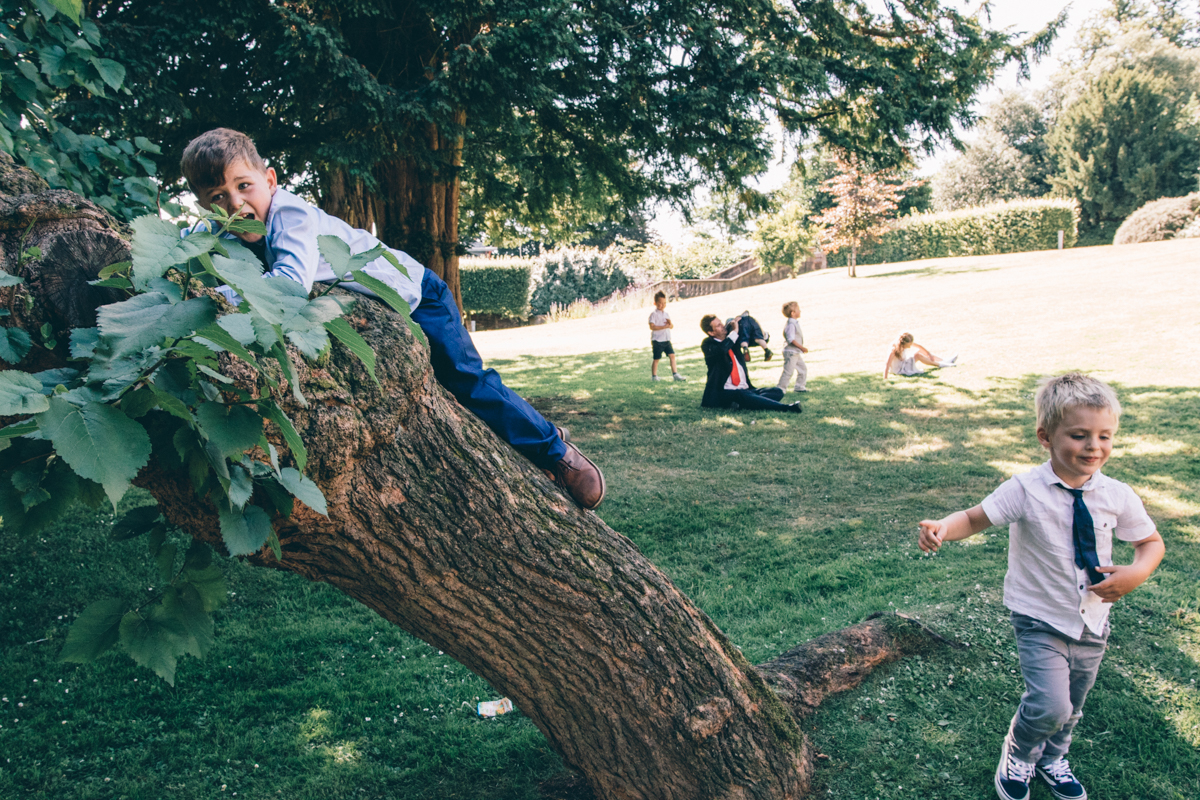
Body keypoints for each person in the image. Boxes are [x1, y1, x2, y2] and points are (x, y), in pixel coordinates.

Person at [179, 128, 605, 509]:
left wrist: (214, 296)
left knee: (466, 383)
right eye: (218, 198)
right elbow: (187, 242)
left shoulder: (291, 217)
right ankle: (533, 445)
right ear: (203, 206)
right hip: (386, 316)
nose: (236, 205)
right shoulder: (226, 229)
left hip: (420, 296)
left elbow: (288, 283)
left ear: (270, 180)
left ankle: (556, 451)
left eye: (244, 186)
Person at [917, 373, 1164, 800]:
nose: (1094, 446)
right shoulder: (1025, 489)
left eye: (1105, 436)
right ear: (1045, 436)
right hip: (1039, 617)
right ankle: (1019, 752)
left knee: (1072, 706)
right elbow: (976, 518)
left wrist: (1137, 573)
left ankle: (1053, 758)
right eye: (1079, 435)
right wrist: (943, 527)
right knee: (1051, 704)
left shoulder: (1117, 494)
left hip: (1091, 621)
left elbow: (1150, 544)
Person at [699, 314, 801, 413]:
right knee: (741, 395)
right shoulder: (708, 344)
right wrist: (734, 332)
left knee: (777, 392)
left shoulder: (733, 339)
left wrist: (756, 328)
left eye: (721, 322)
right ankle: (786, 408)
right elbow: (722, 350)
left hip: (745, 389)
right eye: (718, 325)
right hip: (724, 392)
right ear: (711, 333)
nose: (722, 326)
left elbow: (754, 339)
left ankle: (744, 404)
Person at [648, 290, 686, 382]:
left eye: (664, 303)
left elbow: (671, 326)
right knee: (656, 358)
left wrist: (670, 324)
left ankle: (675, 374)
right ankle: (654, 376)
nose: (662, 305)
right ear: (655, 303)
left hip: (666, 339)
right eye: (660, 303)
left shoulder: (666, 314)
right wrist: (664, 327)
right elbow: (652, 327)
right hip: (657, 340)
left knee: (672, 355)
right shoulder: (653, 314)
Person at [883, 332, 957, 378]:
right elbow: (887, 364)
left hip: (903, 363)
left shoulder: (904, 343)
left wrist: (929, 354)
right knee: (918, 355)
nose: (910, 346)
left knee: (919, 351)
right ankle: (942, 364)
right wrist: (885, 378)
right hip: (900, 369)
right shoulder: (894, 350)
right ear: (903, 343)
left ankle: (945, 360)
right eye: (908, 345)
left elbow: (919, 347)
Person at [775, 301, 808, 393]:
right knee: (788, 372)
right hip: (791, 352)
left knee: (803, 369)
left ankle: (799, 387)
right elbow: (791, 339)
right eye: (798, 309)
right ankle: (780, 389)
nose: (800, 311)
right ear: (793, 313)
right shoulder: (791, 325)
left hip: (795, 352)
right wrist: (801, 347)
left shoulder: (794, 323)